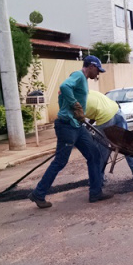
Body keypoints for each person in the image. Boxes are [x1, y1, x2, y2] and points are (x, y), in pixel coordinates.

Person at [28, 55, 111, 208]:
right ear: (91, 66)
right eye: (97, 70)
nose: (98, 74)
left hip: (77, 126)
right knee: (60, 161)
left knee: (94, 154)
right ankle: (38, 194)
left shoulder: (82, 80)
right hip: (66, 126)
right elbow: (64, 87)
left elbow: (62, 95)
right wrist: (75, 105)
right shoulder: (78, 75)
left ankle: (95, 192)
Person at [84, 90, 133, 182]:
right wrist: (89, 125)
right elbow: (96, 109)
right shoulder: (90, 92)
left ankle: (98, 179)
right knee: (126, 144)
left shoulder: (76, 102)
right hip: (118, 112)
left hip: (106, 118)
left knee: (102, 148)